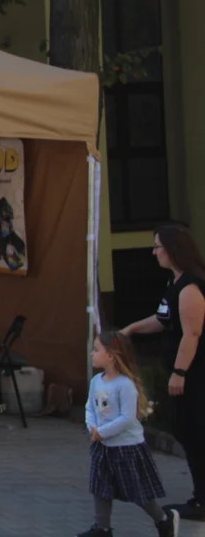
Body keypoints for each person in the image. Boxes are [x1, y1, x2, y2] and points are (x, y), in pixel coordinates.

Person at [122, 223, 205, 521]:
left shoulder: (191, 287)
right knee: (186, 431)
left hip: (195, 377)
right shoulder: (175, 284)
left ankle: (202, 501)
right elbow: (163, 320)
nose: (153, 252)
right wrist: (131, 329)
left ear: (172, 251)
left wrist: (180, 372)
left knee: (194, 432)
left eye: (157, 246)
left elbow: (191, 334)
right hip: (185, 374)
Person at [78, 331, 179, 537]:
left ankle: (164, 519)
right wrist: (92, 427)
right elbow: (90, 407)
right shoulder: (97, 380)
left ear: (112, 355)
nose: (92, 354)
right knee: (100, 488)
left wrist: (102, 432)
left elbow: (127, 418)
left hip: (126, 449)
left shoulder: (125, 386)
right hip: (103, 447)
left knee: (138, 492)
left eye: (96, 350)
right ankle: (102, 528)